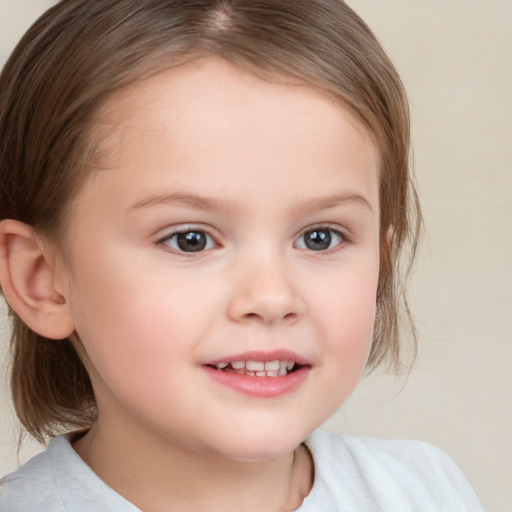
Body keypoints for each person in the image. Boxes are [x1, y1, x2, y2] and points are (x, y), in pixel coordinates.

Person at [0, 1, 483, 510]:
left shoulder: (425, 491)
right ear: (43, 279)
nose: (272, 297)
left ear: (379, 269)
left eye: (320, 237)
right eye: (191, 239)